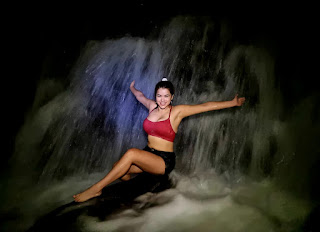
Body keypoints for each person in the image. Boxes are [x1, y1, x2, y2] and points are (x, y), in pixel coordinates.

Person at [73, 77, 245, 202]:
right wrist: (132, 88)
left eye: (166, 96)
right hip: (149, 154)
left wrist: (232, 103)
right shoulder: (152, 106)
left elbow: (204, 107)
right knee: (119, 171)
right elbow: (140, 96)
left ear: (172, 97)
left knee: (131, 153)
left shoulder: (177, 112)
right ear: (156, 96)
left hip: (164, 161)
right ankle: (140, 183)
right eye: (159, 95)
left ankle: (95, 189)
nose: (162, 100)